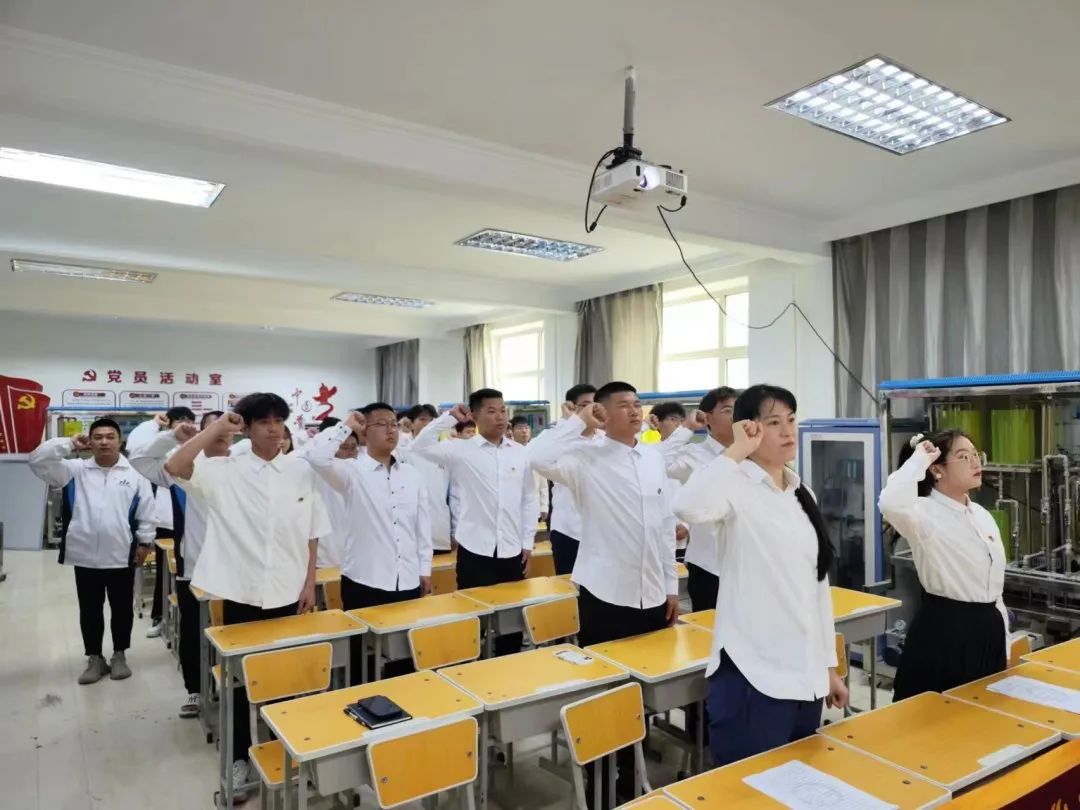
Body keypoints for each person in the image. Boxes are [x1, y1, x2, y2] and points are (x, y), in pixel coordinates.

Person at [164, 392, 331, 799]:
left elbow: (311, 532)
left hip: (290, 591)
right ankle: (240, 759)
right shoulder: (227, 468)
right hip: (242, 592)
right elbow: (176, 466)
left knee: (289, 677)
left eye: (279, 422)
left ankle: (288, 752)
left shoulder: (300, 470)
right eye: (264, 422)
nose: (274, 429)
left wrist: (309, 582)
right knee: (241, 683)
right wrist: (218, 429)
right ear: (249, 429)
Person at [674, 385, 847, 768]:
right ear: (748, 429)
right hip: (753, 675)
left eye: (791, 420)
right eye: (773, 422)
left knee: (794, 783)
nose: (787, 430)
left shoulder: (801, 493)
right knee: (747, 787)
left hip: (804, 675)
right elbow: (686, 505)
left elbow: (817, 589)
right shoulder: (733, 485)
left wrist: (829, 668)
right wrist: (736, 451)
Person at [528, 381, 679, 804]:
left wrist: (671, 586)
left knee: (639, 692)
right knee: (605, 695)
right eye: (622, 405)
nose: (634, 411)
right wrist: (581, 419)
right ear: (603, 413)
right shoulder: (584, 458)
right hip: (606, 595)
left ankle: (631, 778)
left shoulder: (651, 457)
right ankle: (597, 782)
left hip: (652, 593)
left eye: (637, 404)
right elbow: (536, 456)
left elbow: (664, 526)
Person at [879, 430, 1007, 699]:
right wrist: (918, 460)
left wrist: (1003, 641)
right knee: (935, 717)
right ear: (937, 470)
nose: (975, 462)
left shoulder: (982, 515)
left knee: (985, 715)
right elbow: (890, 502)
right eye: (964, 457)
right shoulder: (924, 513)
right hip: (946, 634)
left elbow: (995, 593)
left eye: (976, 454)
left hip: (989, 632)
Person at [306, 405, 431, 680]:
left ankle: (401, 699)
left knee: (404, 654)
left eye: (394, 424)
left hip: (407, 578)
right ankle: (361, 699)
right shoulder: (351, 471)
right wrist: (346, 426)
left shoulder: (412, 475)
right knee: (360, 656)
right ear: (365, 432)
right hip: (365, 579)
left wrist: (425, 569)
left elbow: (422, 526)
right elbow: (316, 457)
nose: (390, 430)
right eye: (381, 424)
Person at [29, 418, 156, 685]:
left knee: (122, 609)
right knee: (89, 610)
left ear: (120, 441)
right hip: (84, 555)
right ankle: (94, 658)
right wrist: (68, 443)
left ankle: (119, 655)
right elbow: (37, 461)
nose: (104, 442)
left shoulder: (135, 475)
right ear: (90, 441)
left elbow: (146, 512)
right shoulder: (73, 471)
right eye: (98, 437)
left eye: (110, 437)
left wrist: (145, 543)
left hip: (121, 554)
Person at [411, 389, 538, 655]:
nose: (500, 417)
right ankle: (470, 668)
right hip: (475, 550)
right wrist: (449, 418)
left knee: (510, 625)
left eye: (503, 411)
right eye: (491, 411)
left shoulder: (520, 453)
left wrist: (527, 541)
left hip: (512, 550)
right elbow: (419, 446)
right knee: (472, 623)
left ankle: (508, 667)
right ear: (475, 416)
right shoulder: (461, 450)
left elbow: (528, 498)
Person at [128, 409, 228, 719]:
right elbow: (139, 459)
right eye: (214, 428)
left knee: (231, 633)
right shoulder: (184, 467)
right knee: (194, 632)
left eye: (226, 428)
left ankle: (231, 689)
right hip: (195, 567)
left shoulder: (243, 465)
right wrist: (173, 436)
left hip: (237, 570)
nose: (221, 433)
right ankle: (194, 690)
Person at [657, 387, 737, 612]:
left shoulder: (753, 454)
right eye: (727, 410)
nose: (735, 416)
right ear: (707, 417)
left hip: (748, 564)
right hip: (709, 566)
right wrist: (687, 428)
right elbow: (656, 462)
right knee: (709, 629)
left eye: (738, 410)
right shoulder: (694, 454)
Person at [143, 406, 196, 639]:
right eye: (179, 420)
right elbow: (140, 450)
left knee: (187, 578)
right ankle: (159, 616)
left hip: (190, 522)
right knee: (164, 575)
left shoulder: (199, 450)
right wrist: (157, 425)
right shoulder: (162, 450)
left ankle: (191, 620)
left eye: (189, 420)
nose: (185, 424)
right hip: (165, 521)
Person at [543, 384, 598, 575]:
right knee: (569, 586)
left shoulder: (605, 439)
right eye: (586, 405)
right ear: (572, 407)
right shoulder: (558, 437)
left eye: (596, 404)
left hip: (601, 531)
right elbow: (538, 458)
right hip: (568, 529)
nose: (592, 410)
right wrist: (570, 424)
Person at [300, 416, 361, 569]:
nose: (350, 452)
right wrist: (344, 428)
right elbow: (317, 456)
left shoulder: (358, 468)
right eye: (344, 447)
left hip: (354, 555)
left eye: (353, 447)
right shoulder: (316, 467)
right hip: (326, 555)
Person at [400, 404, 453, 554]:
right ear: (411, 424)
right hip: (410, 530)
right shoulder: (403, 451)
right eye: (422, 419)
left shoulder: (446, 450)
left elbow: (454, 493)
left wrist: (454, 530)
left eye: (432, 420)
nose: (428, 424)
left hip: (439, 531)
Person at [510, 415, 550, 524]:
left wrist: (544, 506)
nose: (524, 431)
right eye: (520, 428)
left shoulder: (536, 451)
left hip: (533, 506)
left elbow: (543, 482)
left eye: (526, 428)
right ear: (512, 431)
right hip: (512, 507)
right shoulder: (507, 452)